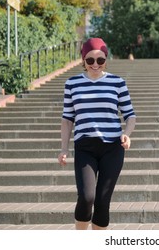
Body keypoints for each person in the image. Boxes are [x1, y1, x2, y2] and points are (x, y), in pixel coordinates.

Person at [58, 38, 136, 230]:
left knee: (102, 201)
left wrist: (127, 133)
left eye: (100, 60)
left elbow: (130, 115)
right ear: (83, 60)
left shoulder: (117, 82)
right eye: (90, 60)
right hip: (85, 147)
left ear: (105, 60)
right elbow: (68, 119)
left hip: (112, 148)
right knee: (86, 197)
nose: (95, 65)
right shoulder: (72, 84)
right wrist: (63, 149)